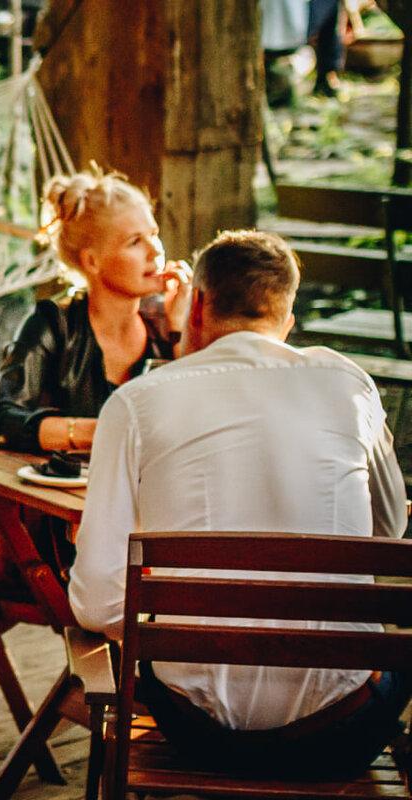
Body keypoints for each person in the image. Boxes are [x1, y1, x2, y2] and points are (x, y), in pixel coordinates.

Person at [70, 230, 410, 775]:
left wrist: (181, 629)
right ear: (287, 319)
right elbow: (389, 531)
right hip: (343, 731)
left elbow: (96, 603)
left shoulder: (135, 403)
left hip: (199, 734)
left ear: (197, 303)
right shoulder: (349, 384)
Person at [0, 169, 192, 454]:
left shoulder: (168, 321)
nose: (155, 251)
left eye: (153, 234)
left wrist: (181, 327)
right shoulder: (54, 324)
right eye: (134, 242)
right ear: (92, 261)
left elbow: (203, 419)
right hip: (65, 494)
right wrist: (97, 432)